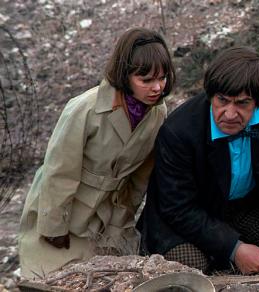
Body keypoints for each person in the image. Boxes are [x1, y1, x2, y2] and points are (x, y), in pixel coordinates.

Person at [137, 46, 259, 275]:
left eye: (242, 103)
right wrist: (234, 249)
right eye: (222, 101)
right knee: (189, 267)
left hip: (245, 207)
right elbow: (178, 207)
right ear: (211, 94)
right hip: (189, 216)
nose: (230, 113)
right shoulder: (179, 131)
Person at [18, 27, 175, 278]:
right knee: (53, 279)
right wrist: (54, 227)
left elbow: (138, 181)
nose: (157, 87)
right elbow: (60, 171)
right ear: (125, 75)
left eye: (162, 78)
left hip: (108, 216)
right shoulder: (85, 109)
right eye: (146, 80)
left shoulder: (157, 113)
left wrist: (120, 223)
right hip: (67, 212)